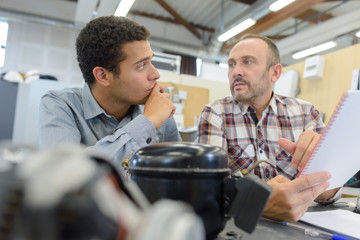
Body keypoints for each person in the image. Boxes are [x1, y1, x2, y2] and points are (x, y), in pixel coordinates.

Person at [195, 34, 340, 222]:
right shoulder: (215, 114)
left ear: (275, 73)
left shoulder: (306, 113)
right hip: (240, 223)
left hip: (300, 225)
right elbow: (207, 187)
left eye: (247, 62)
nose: (236, 71)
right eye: (231, 64)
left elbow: (331, 189)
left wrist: (324, 183)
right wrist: (258, 201)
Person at [39, 16, 181, 177]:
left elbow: (177, 175)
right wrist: (147, 122)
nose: (156, 74)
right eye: (141, 65)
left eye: (151, 62)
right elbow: (67, 175)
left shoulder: (159, 109)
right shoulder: (60, 105)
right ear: (103, 76)